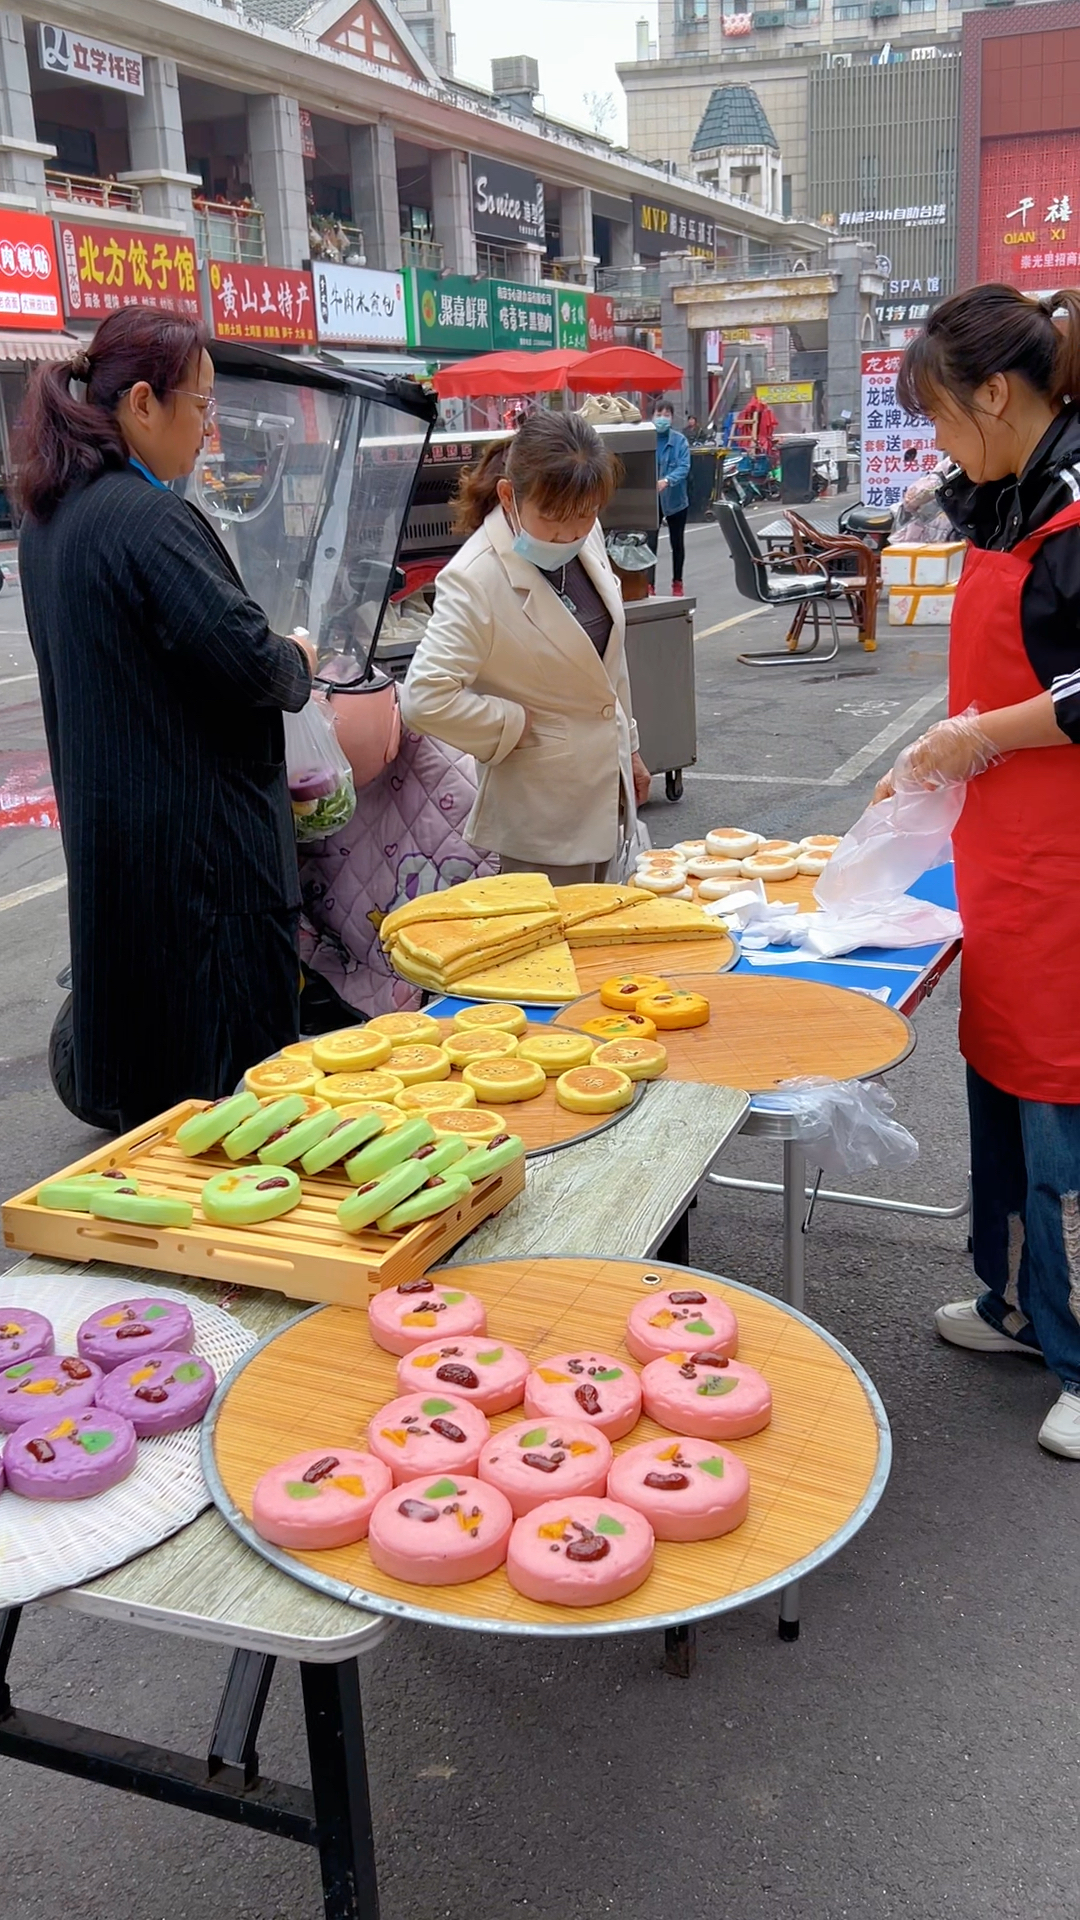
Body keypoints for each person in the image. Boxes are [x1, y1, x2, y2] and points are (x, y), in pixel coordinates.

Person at [17, 306, 315, 1131]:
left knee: (156, 1109)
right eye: (203, 406)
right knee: (231, 1112)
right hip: (203, 869)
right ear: (143, 403)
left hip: (124, 853)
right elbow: (248, 661)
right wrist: (299, 656)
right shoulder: (148, 520)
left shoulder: (53, 517)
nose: (208, 431)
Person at [873, 281, 1080, 1459]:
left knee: (1066, 1118)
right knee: (998, 1086)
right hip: (1001, 864)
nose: (940, 443)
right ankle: (1013, 1305)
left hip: (1070, 873)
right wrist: (928, 763)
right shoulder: (1004, 496)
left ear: (997, 393)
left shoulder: (1077, 506)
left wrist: (984, 735)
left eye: (944, 415)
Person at [399, 410, 650, 885]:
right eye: (554, 519)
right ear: (509, 496)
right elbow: (425, 697)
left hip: (604, 788)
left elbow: (605, 667)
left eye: (586, 514)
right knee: (555, 953)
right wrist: (511, 725)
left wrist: (630, 749)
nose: (570, 534)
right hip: (542, 812)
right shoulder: (475, 578)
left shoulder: (583, 532)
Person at [647, 400, 690, 595]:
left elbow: (684, 467)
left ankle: (677, 582)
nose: (662, 418)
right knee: (650, 544)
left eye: (666, 415)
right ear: (652, 416)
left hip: (676, 500)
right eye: (659, 414)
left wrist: (667, 480)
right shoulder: (645, 439)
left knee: (677, 543)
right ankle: (649, 584)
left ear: (672, 418)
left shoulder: (680, 441)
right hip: (651, 500)